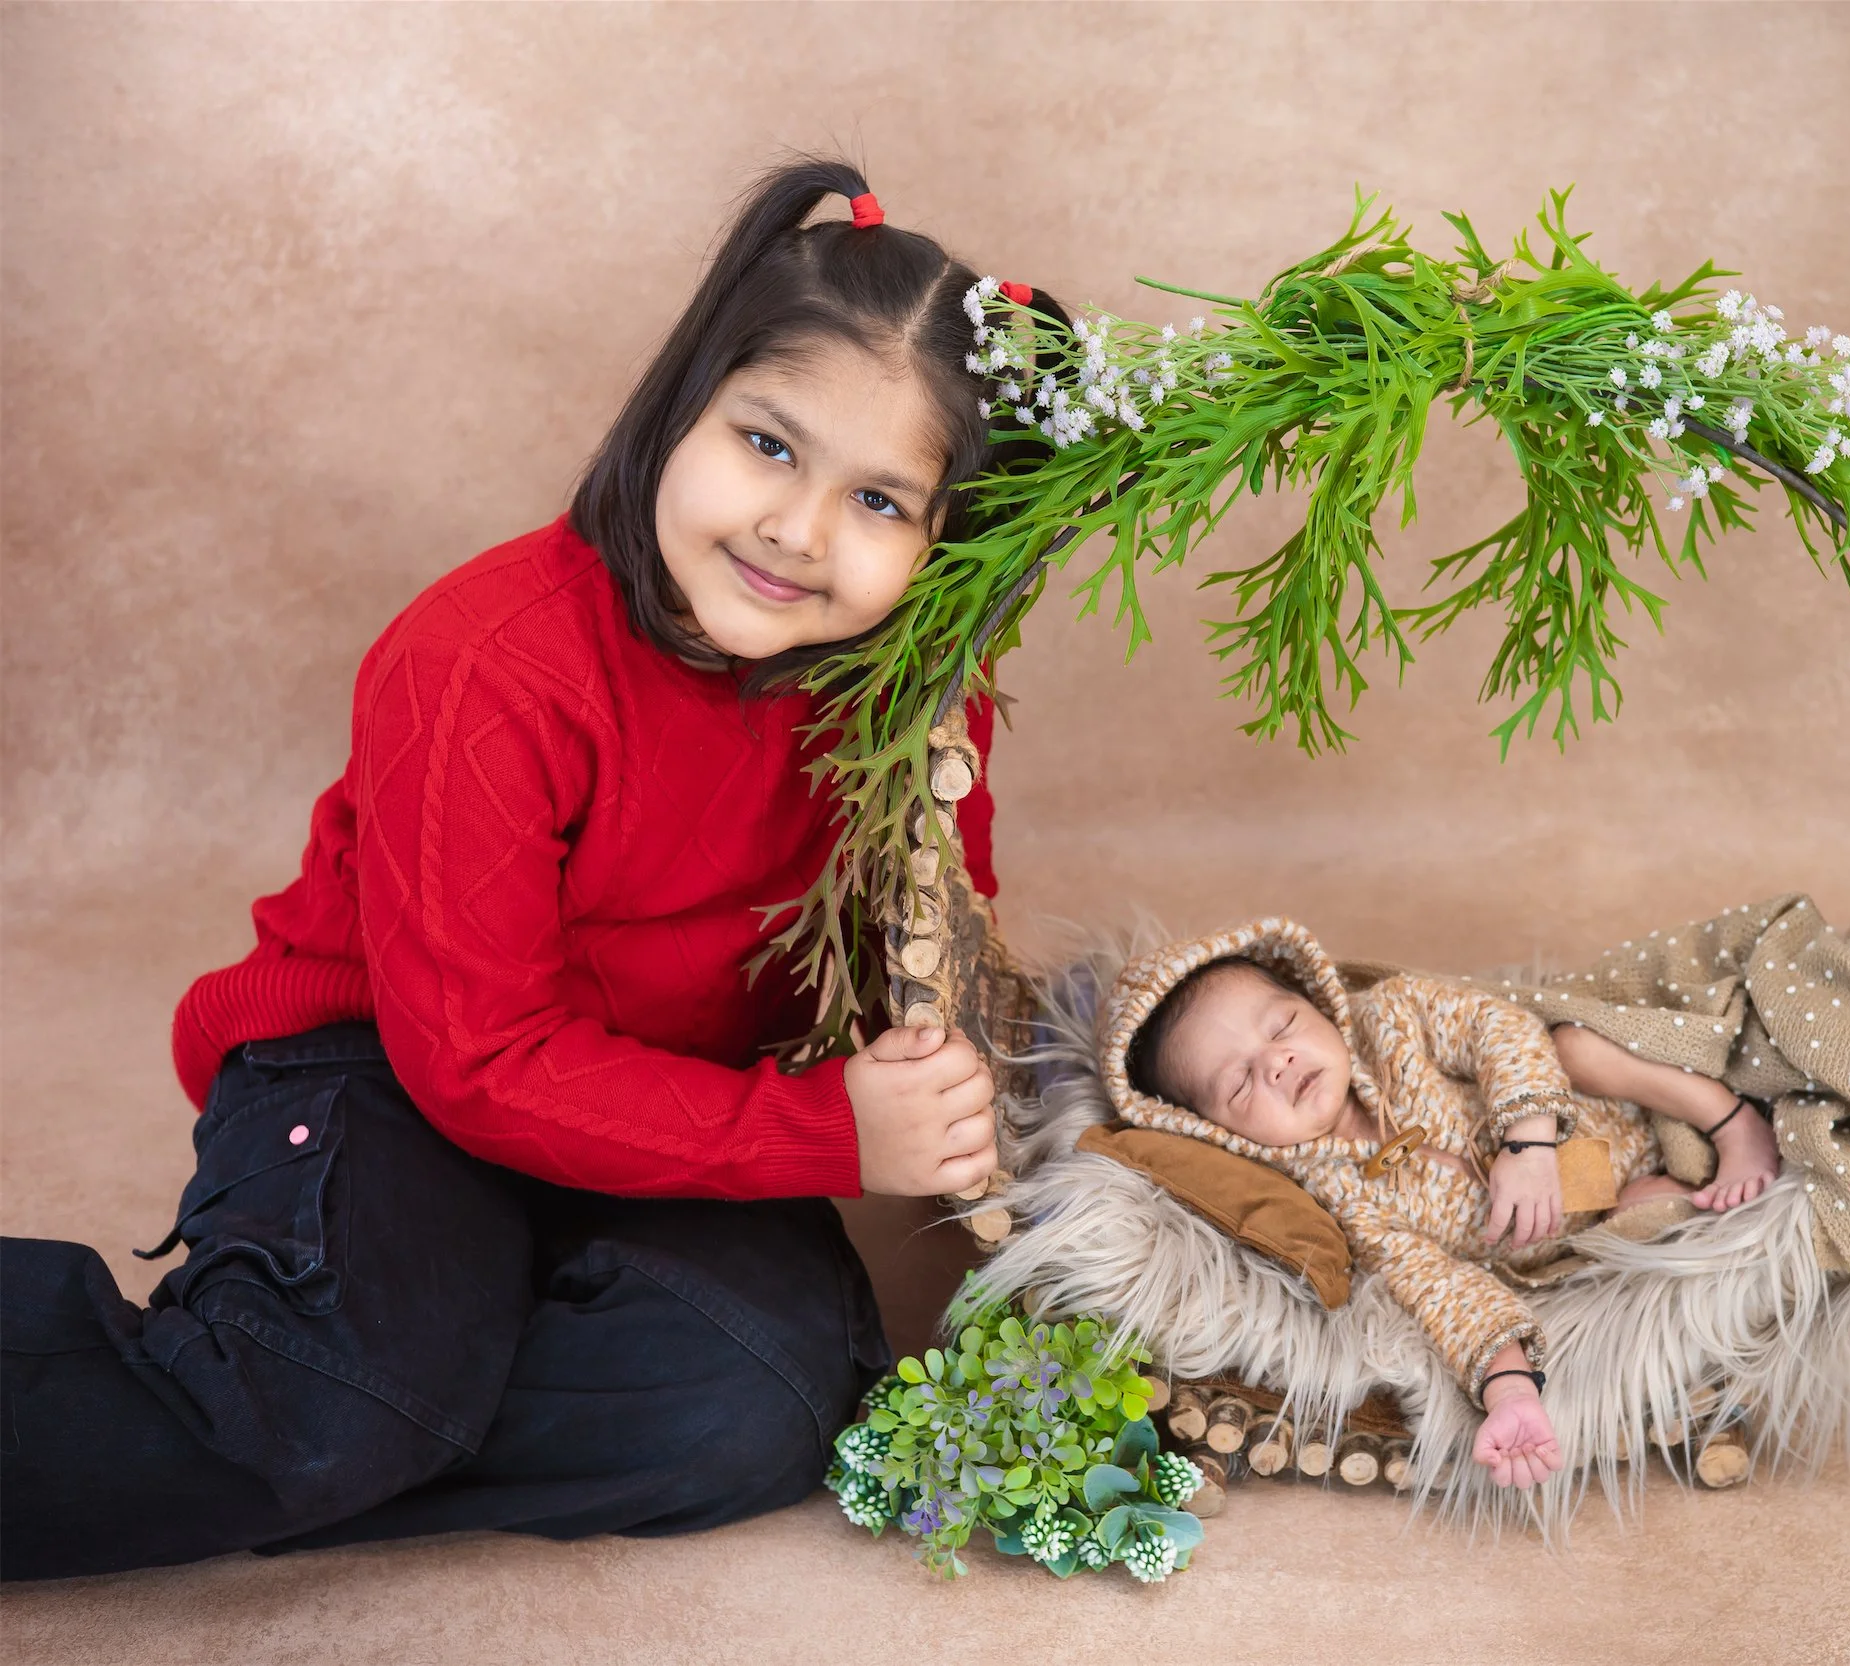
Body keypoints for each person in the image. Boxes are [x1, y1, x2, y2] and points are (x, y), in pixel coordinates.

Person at [0, 158, 1063, 1581]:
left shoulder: (916, 705)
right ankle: (324, 1399)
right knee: (325, 1406)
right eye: (767, 444)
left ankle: (381, 1392)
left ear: (942, 543)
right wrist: (828, 1137)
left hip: (668, 1100)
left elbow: (922, 951)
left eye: (881, 501)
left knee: (764, 1402)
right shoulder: (488, 662)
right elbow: (480, 1057)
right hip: (395, 1065)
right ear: (685, 399)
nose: (797, 529)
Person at [1101, 921, 1782, 1491]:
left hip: (1605, 1104)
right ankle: (1698, 1193)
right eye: (1241, 1081)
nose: (1276, 1062)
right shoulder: (1341, 1201)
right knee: (1639, 1231)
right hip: (1589, 1218)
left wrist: (1527, 1141)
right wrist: (1508, 1385)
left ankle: (1728, 1121)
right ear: (1221, 1134)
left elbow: (1501, 1028)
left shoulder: (1393, 1018)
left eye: (1282, 1024)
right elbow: (1438, 1285)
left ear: (1317, 1000)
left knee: (1575, 1044)